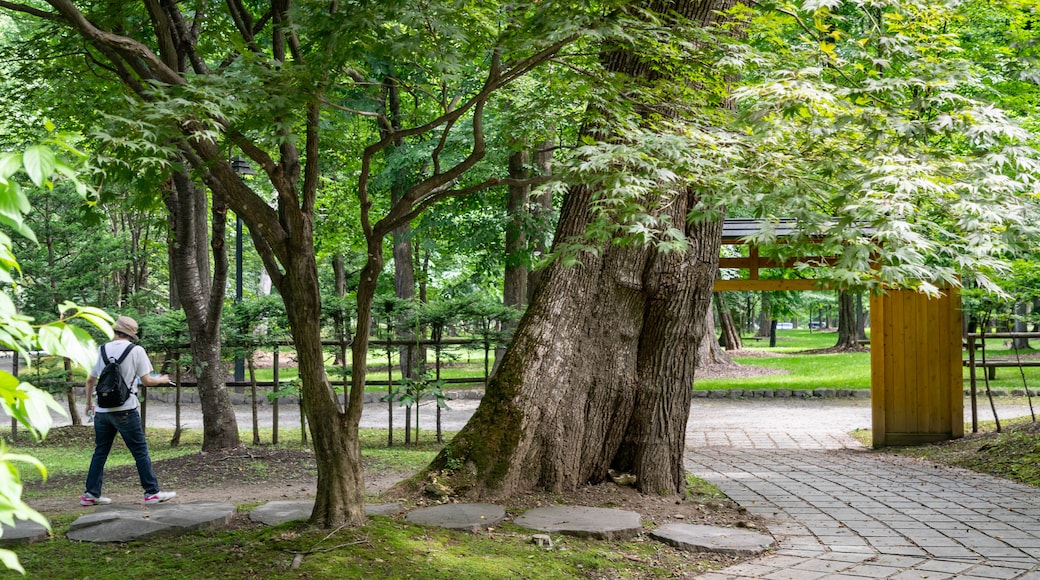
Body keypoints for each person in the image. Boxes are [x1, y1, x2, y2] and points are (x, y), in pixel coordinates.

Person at [80, 316, 177, 507]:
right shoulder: (136, 350)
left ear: (115, 331)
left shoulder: (102, 350)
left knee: (100, 452)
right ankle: (151, 492)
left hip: (102, 411)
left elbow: (90, 380)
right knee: (140, 451)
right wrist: (163, 379)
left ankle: (90, 494)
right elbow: (147, 380)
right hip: (125, 410)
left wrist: (89, 403)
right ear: (132, 334)